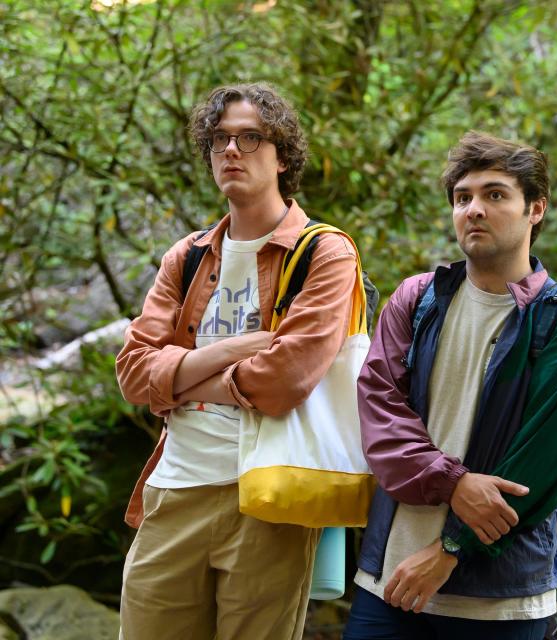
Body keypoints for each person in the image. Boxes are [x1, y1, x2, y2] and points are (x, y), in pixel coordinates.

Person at [115, 83, 359, 640]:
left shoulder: (325, 252)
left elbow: (284, 381)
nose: (232, 150)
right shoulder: (189, 256)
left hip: (268, 496)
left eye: (251, 137)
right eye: (220, 138)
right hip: (175, 488)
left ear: (282, 155)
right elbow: (132, 371)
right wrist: (226, 351)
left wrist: (181, 377)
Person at [344, 131, 557, 640]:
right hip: (389, 582)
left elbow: (543, 467)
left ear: (536, 209)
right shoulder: (418, 298)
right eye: (463, 197)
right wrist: (454, 484)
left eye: (495, 194)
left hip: (503, 603)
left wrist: (451, 550)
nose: (474, 209)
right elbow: (378, 411)